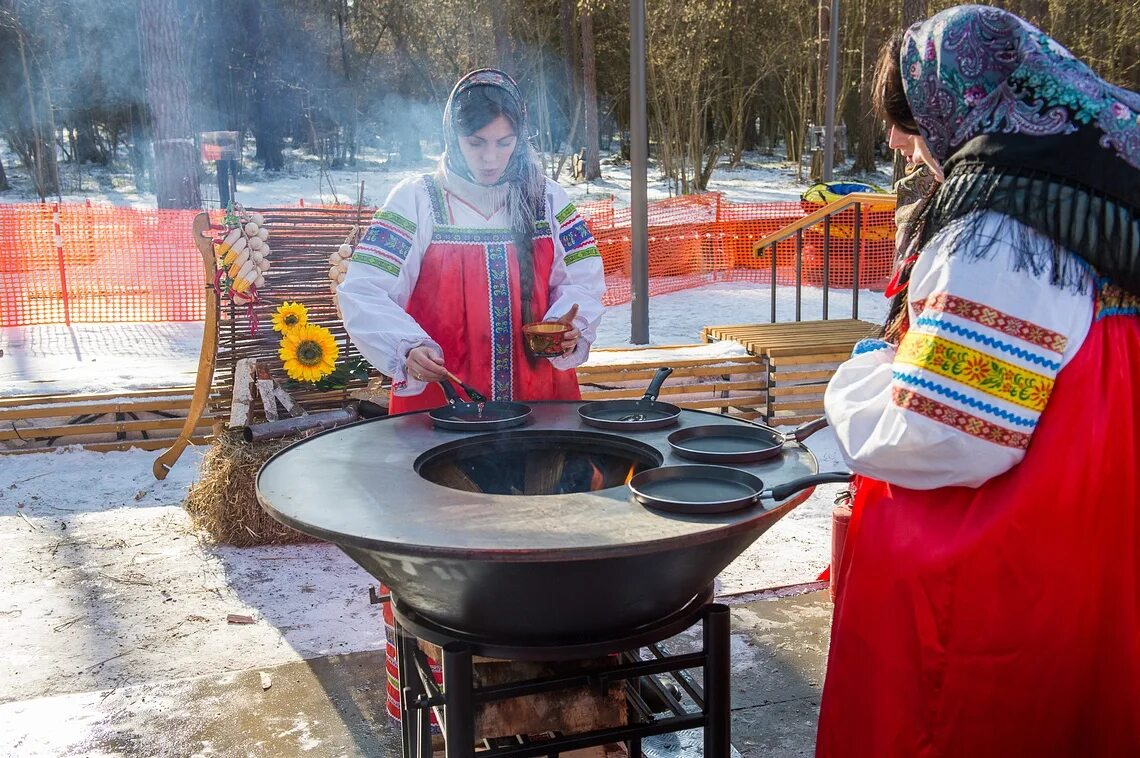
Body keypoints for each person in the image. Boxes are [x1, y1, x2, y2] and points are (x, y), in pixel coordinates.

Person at [817, 6, 1140, 755]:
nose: (901, 143)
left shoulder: (1002, 233)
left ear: (954, 106)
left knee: (955, 723)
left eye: (908, 121)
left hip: (999, 570)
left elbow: (949, 434)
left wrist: (858, 382)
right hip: (1095, 538)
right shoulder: (1104, 188)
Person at [339, 68, 605, 413]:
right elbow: (364, 290)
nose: (490, 158)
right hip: (441, 404)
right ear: (453, 136)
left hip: (540, 400)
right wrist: (406, 348)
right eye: (475, 143)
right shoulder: (417, 201)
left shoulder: (547, 198)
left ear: (520, 139)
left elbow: (583, 281)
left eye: (504, 143)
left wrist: (567, 331)